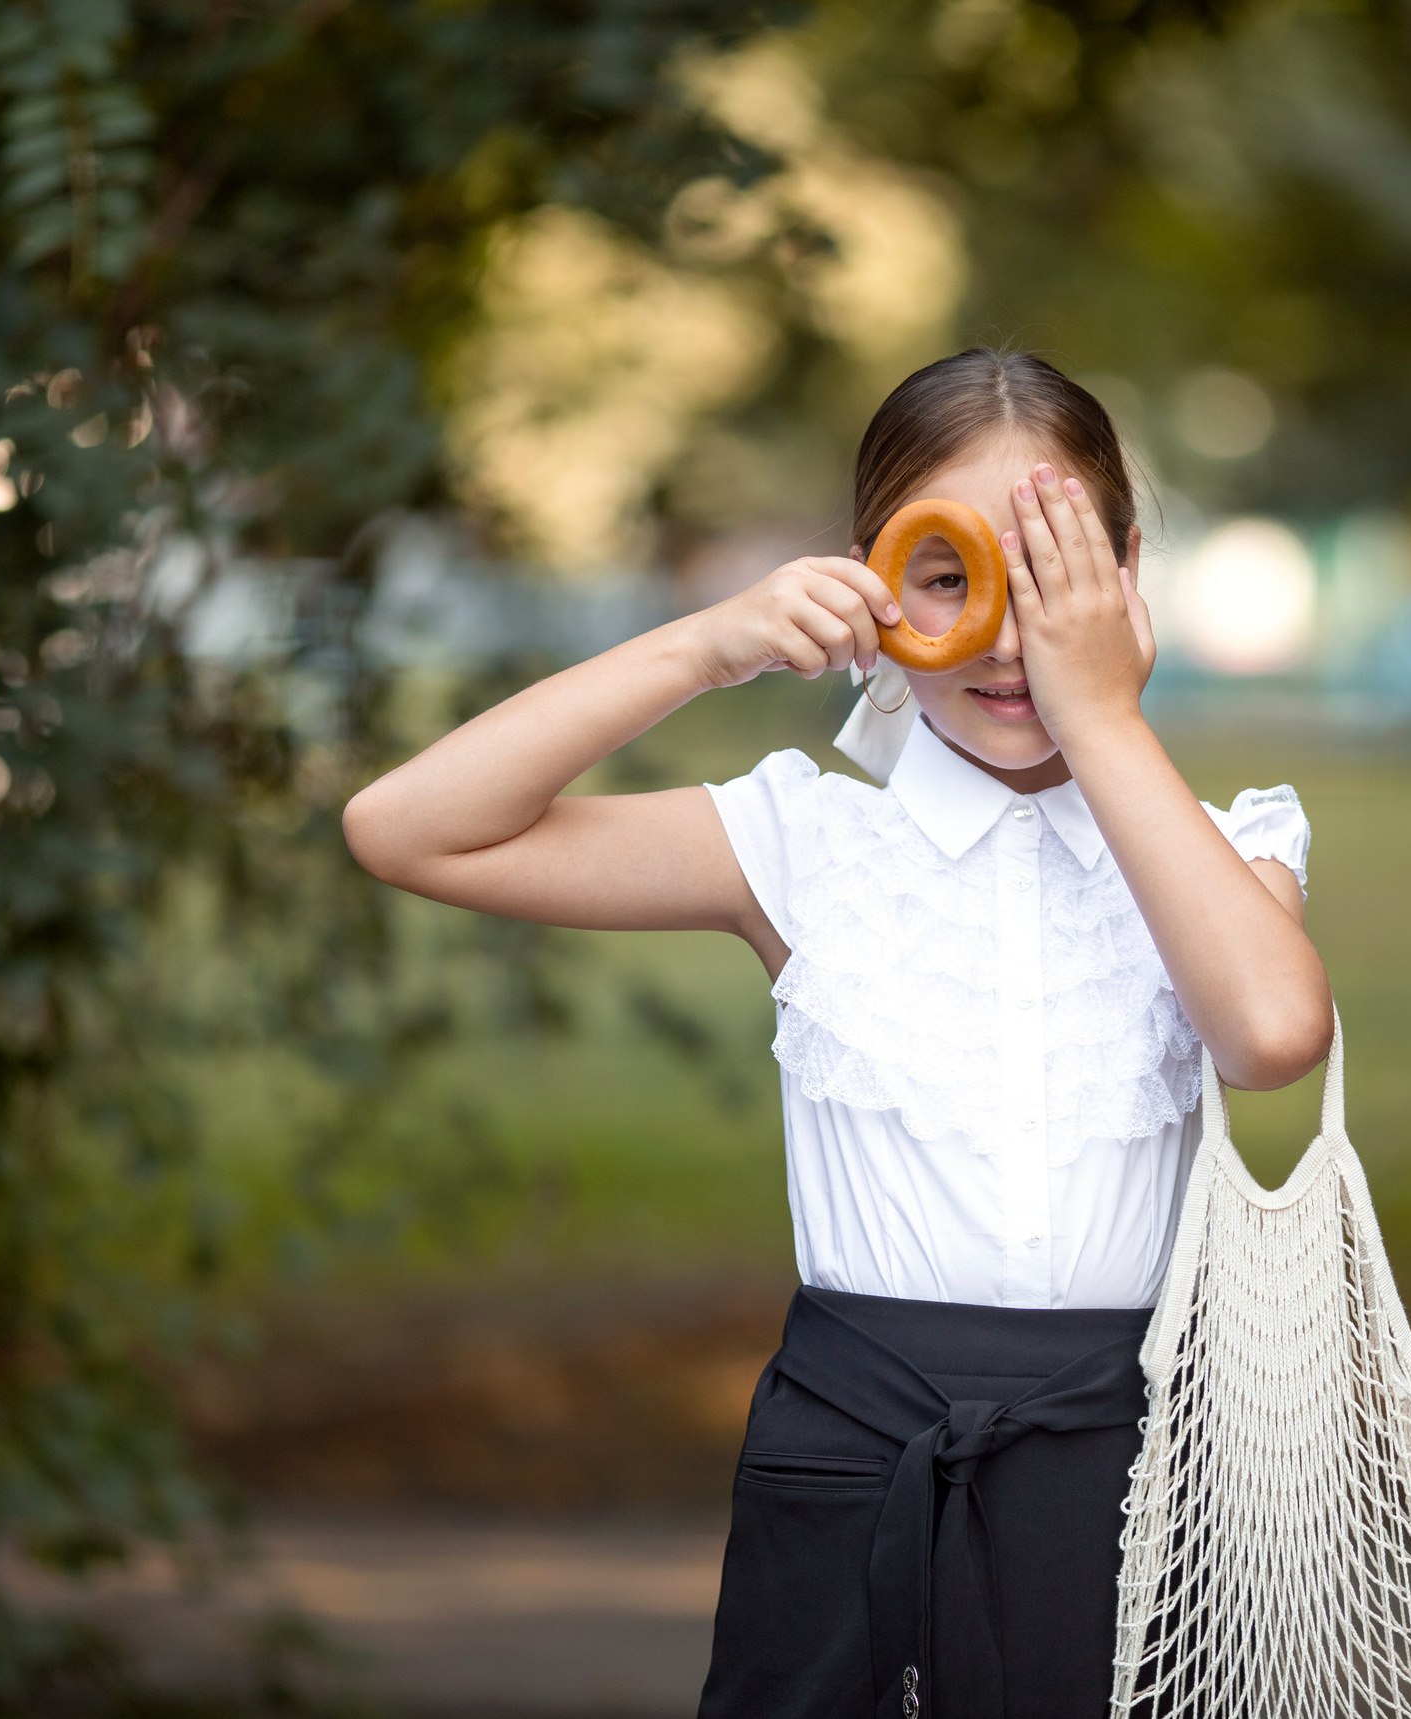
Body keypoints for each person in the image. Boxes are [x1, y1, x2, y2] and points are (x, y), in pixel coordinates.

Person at [343, 348, 1333, 1717]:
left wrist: (1100, 712)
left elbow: (1274, 1033)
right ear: (873, 580)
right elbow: (406, 828)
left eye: (1048, 579)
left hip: (1134, 1479)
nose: (1003, 639)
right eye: (950, 577)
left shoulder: (1223, 849)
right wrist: (707, 644)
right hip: (855, 1466)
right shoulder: (805, 841)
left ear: (1127, 573)